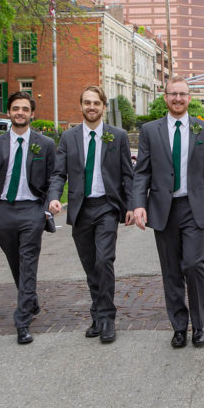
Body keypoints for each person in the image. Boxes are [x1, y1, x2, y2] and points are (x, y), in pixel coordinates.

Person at [132, 77, 204, 349]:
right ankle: (179, 327)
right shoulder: (150, 131)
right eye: (173, 94)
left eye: (183, 94)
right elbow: (142, 171)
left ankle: (199, 324)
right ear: (165, 97)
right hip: (163, 209)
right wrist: (138, 204)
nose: (178, 98)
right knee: (170, 270)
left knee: (192, 265)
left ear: (189, 98)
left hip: (194, 208)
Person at [48, 85, 134, 344]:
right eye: (87, 102)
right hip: (81, 209)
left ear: (104, 107)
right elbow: (58, 173)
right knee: (90, 265)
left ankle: (107, 317)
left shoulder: (117, 136)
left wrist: (130, 205)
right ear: (81, 106)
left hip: (107, 207)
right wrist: (53, 196)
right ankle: (97, 312)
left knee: (104, 260)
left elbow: (128, 175)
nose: (91, 107)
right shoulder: (69, 137)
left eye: (96, 103)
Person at [0, 91, 56, 345]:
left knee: (28, 263)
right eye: (16, 108)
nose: (20, 112)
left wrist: (45, 210)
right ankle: (31, 302)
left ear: (32, 113)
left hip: (31, 211)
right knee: (16, 263)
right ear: (9, 112)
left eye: (25, 108)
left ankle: (22, 319)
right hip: (4, 211)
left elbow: (52, 180)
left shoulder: (45, 144)